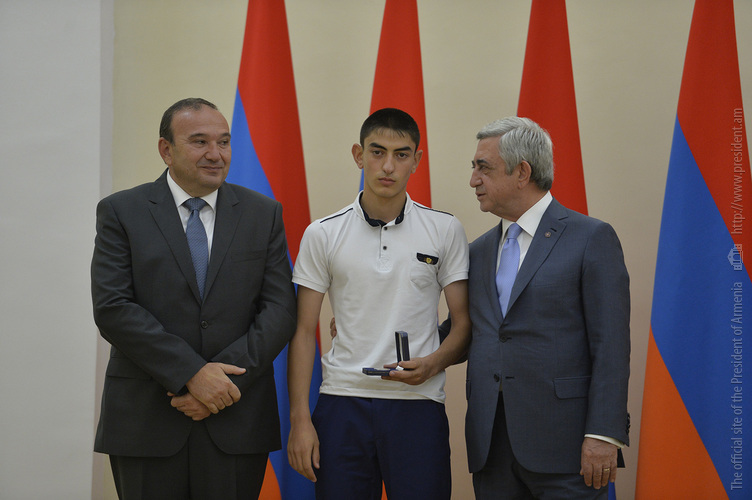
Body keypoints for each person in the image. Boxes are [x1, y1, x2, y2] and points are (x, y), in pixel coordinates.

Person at [91, 97, 297, 499]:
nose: (215, 154)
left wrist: (220, 384)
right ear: (166, 150)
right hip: (146, 421)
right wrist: (192, 374)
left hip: (236, 418)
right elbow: (113, 307)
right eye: (200, 142)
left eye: (224, 142)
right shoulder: (121, 211)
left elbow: (279, 310)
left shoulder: (263, 213)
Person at [286, 108, 471, 500]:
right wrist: (300, 419)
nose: (388, 166)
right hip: (341, 402)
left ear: (416, 160)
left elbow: (464, 322)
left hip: (417, 404)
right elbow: (302, 331)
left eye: (401, 154)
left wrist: (433, 364)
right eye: (377, 152)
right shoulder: (322, 233)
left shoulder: (444, 229)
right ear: (359, 155)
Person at [459, 116, 631, 499]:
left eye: (483, 168)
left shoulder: (591, 238)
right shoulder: (478, 251)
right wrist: (376, 331)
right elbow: (463, 329)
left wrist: (604, 434)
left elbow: (611, 346)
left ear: (522, 172)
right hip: (492, 448)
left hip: (568, 450)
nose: (473, 180)